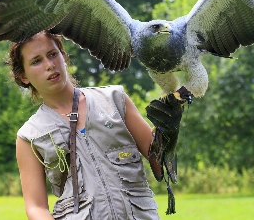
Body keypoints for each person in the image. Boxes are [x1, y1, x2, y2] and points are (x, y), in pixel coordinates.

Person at [10, 31, 184, 220]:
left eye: (53, 54)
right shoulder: (30, 136)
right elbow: (36, 207)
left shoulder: (114, 100)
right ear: (23, 77)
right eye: (36, 61)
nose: (50, 65)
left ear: (63, 55)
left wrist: (168, 131)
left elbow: (159, 161)